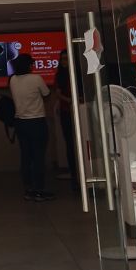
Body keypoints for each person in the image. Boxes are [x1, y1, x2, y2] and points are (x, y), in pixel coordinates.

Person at [9, 53, 53, 201]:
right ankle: (39, 189)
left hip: (20, 123)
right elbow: (46, 94)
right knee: (38, 156)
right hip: (36, 122)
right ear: (28, 65)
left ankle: (28, 189)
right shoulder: (36, 79)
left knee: (26, 156)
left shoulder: (12, 80)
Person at [54, 50, 79, 193]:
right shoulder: (60, 75)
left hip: (78, 110)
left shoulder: (77, 74)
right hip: (66, 111)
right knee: (69, 143)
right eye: (62, 59)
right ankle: (73, 173)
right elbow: (58, 93)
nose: (64, 61)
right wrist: (70, 101)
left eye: (66, 59)